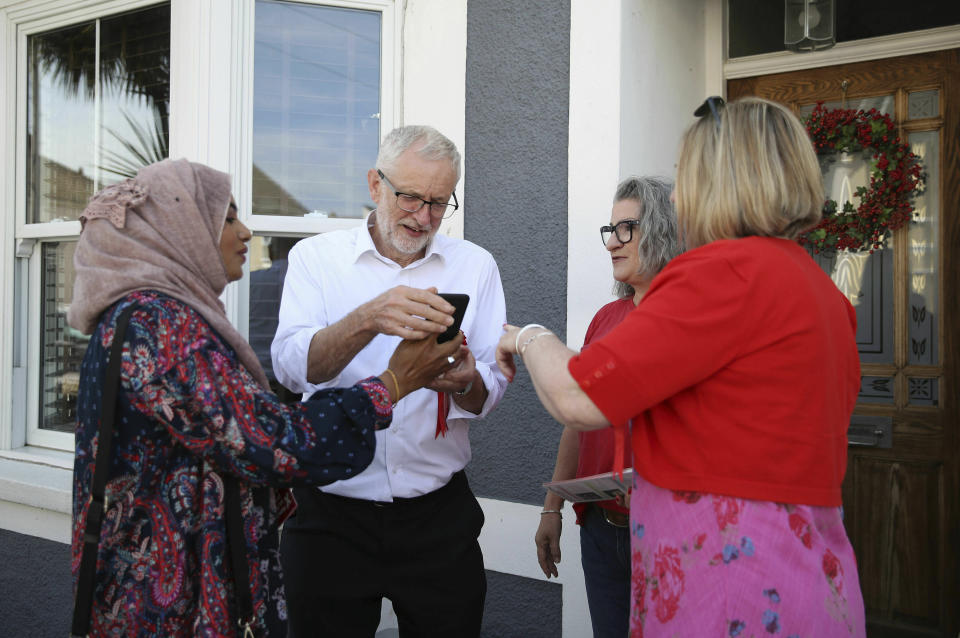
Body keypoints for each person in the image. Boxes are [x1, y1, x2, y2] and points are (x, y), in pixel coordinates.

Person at [497, 97, 866, 637]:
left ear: (718, 182)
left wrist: (528, 337)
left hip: (728, 581)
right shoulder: (820, 291)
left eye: (685, 175)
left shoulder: (724, 273)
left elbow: (579, 397)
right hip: (809, 573)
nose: (678, 194)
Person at [67, 158, 461, 636]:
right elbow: (268, 442)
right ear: (180, 230)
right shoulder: (163, 329)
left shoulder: (139, 316)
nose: (247, 232)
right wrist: (392, 384)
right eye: (228, 218)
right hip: (175, 606)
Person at [271, 125, 507, 637]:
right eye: (410, 197)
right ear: (375, 184)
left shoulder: (476, 266)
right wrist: (368, 317)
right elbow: (292, 369)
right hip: (329, 514)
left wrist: (466, 381)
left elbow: (488, 391)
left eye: (439, 203)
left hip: (437, 517)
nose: (423, 217)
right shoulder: (317, 259)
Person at [536, 176, 678, 638]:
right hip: (600, 527)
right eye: (610, 229)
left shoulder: (684, 318)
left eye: (626, 229)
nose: (612, 243)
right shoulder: (606, 317)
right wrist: (552, 507)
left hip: (666, 530)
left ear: (662, 231)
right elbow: (577, 422)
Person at [249, 235, 299, 401]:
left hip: (256, 375)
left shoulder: (250, 282)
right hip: (297, 380)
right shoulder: (316, 286)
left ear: (270, 251)